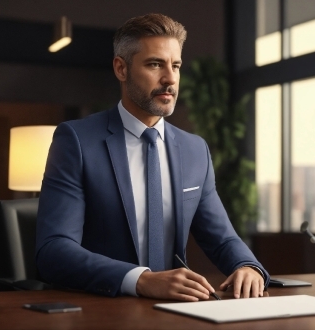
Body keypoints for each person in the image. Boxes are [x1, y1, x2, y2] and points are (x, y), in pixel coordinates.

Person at [35, 13, 270, 301]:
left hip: (174, 312)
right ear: (121, 69)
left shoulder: (195, 150)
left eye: (176, 65)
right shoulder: (77, 140)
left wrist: (247, 266)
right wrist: (140, 280)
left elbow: (221, 238)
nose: (170, 78)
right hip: (103, 309)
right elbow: (54, 250)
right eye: (155, 64)